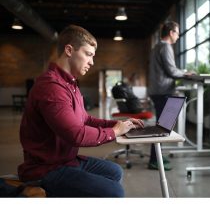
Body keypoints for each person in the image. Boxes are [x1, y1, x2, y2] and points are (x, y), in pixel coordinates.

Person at [18, 25, 144, 197]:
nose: (92, 62)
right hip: (46, 169)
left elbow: (85, 119)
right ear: (69, 50)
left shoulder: (71, 84)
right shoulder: (51, 87)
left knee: (115, 171)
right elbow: (76, 135)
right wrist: (114, 132)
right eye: (88, 54)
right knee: (114, 192)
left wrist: (119, 124)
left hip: (66, 160)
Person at [147, 21, 192, 171]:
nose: (178, 36)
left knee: (162, 126)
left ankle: (156, 157)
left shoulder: (156, 47)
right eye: (177, 33)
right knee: (163, 127)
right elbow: (172, 71)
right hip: (163, 91)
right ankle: (154, 160)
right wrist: (186, 73)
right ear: (171, 33)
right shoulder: (166, 47)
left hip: (156, 90)